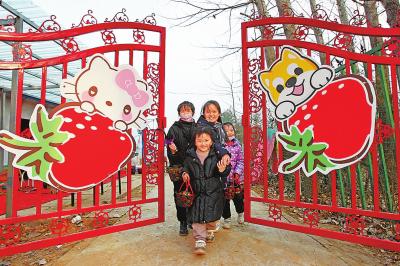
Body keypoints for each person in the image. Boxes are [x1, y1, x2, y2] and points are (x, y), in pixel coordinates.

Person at [182, 127, 231, 255]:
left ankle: (210, 230)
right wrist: (185, 173)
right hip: (196, 191)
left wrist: (222, 170)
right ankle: (199, 240)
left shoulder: (216, 155)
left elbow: (225, 170)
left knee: (212, 217)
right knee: (197, 215)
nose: (203, 143)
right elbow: (185, 168)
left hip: (213, 191)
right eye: (199, 140)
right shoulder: (190, 156)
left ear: (211, 142)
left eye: (206, 140)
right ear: (195, 142)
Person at [166, 101, 196, 236]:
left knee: (195, 193)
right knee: (180, 195)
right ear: (179, 113)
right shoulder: (173, 128)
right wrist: (172, 151)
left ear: (193, 112)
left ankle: (192, 219)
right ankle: (183, 222)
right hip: (178, 166)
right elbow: (168, 144)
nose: (185, 112)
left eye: (188, 110)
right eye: (183, 110)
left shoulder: (198, 127)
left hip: (195, 166)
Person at [221, 122, 244, 229]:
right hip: (223, 178)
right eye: (226, 131)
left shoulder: (238, 145)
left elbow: (241, 160)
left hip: (235, 178)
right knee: (224, 199)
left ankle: (240, 213)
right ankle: (227, 218)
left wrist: (237, 172)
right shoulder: (220, 146)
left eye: (231, 130)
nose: (229, 133)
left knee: (238, 198)